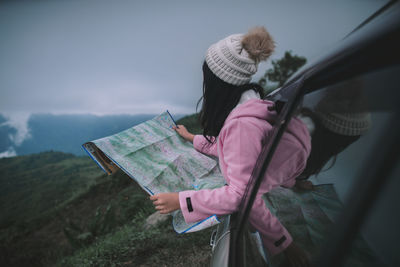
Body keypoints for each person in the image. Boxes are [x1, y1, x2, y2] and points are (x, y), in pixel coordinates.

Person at [149, 26, 312, 266]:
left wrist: (182, 201)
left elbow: (241, 195)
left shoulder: (242, 125)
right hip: (284, 180)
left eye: (207, 76)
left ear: (218, 82)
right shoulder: (251, 104)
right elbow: (234, 151)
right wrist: (192, 138)